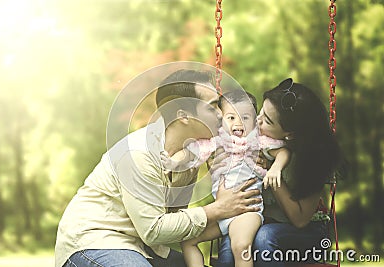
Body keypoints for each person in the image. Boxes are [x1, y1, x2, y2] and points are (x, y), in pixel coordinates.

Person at [54, 69, 262, 267]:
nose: (221, 114)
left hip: (141, 246)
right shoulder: (138, 154)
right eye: (212, 106)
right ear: (184, 116)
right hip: (94, 242)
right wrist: (217, 210)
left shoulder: (190, 154)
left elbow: (174, 218)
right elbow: (153, 230)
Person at [216, 78, 343, 267]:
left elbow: (300, 220)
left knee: (264, 238)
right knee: (230, 247)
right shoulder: (255, 141)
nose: (257, 121)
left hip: (305, 233)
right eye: (260, 113)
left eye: (267, 120)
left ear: (289, 134)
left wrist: (270, 169)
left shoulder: (314, 159)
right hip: (262, 222)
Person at [161, 90, 291, 267]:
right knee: (187, 240)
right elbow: (190, 153)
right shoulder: (215, 142)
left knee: (240, 246)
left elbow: (283, 151)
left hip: (247, 212)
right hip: (221, 212)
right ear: (221, 120)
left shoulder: (258, 140)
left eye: (245, 118)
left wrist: (275, 167)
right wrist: (173, 163)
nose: (238, 123)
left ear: (254, 121)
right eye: (231, 118)